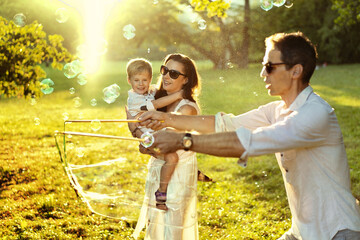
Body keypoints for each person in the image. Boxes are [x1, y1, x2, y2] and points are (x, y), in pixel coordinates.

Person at [138, 32, 360, 240]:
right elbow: (225, 124)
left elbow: (246, 142)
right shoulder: (275, 110)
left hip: (336, 232)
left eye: (270, 67)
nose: (262, 73)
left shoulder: (315, 114)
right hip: (302, 231)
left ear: (296, 71)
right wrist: (166, 119)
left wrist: (182, 141)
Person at [129, 53, 201, 240]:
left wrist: (145, 139)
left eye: (174, 74)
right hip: (160, 169)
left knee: (172, 229)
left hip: (178, 175)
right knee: (157, 227)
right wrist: (143, 141)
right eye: (165, 70)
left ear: (186, 81)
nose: (167, 76)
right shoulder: (157, 100)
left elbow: (171, 141)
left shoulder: (187, 108)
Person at [126, 58, 184, 210]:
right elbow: (155, 105)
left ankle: (186, 172)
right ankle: (161, 195)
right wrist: (178, 95)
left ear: (150, 80)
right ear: (129, 80)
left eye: (145, 80)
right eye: (136, 80)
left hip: (157, 132)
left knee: (180, 146)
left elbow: (156, 94)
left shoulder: (149, 91)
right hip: (149, 137)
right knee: (172, 157)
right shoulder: (133, 99)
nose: (141, 84)